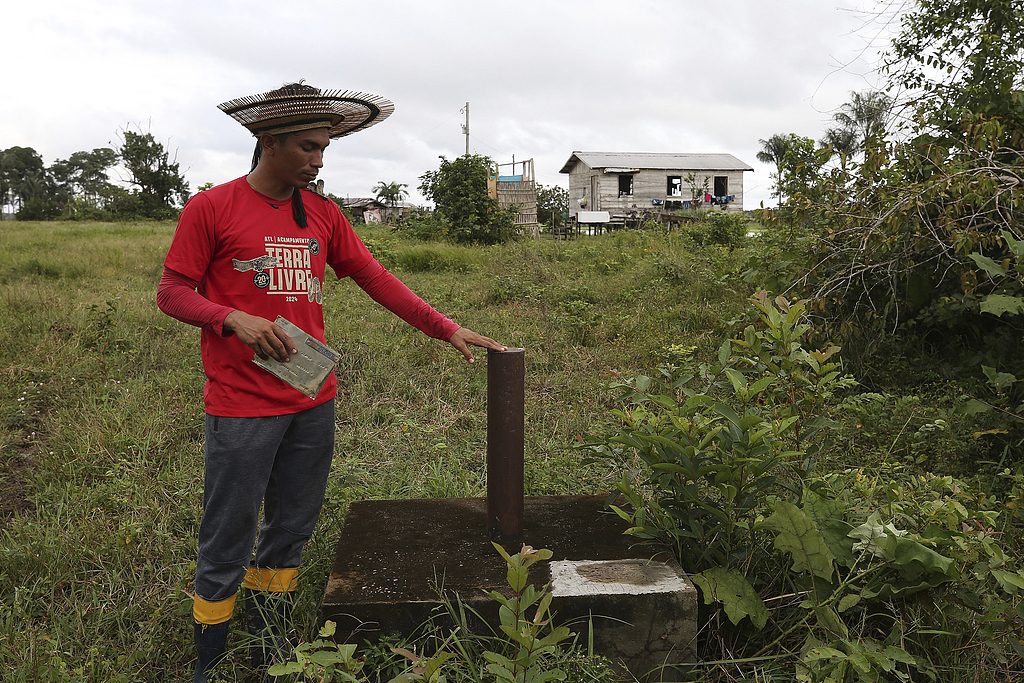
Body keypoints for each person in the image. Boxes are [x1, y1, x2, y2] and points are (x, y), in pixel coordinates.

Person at [156, 82, 505, 682]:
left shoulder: (321, 214)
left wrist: (444, 328)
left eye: (325, 148)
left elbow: (374, 277)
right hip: (242, 404)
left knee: (291, 525)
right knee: (228, 530)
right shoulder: (211, 208)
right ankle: (208, 661)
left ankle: (267, 646)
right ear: (269, 142)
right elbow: (171, 293)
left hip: (312, 397)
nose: (320, 160)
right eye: (309, 148)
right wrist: (231, 317)